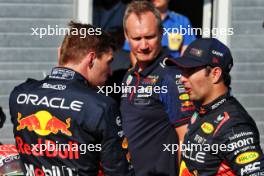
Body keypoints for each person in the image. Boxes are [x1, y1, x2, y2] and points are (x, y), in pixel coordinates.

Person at [9, 22, 131, 176]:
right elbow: (118, 171)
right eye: (109, 62)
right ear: (91, 59)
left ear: (59, 53)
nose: (110, 72)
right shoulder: (101, 106)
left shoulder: (19, 95)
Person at [168, 38, 264, 175]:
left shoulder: (234, 124)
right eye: (182, 71)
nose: (182, 78)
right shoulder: (201, 109)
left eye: (190, 71)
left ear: (215, 74)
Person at [120, 1, 195, 176]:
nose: (144, 46)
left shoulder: (171, 77)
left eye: (150, 37)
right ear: (126, 36)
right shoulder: (130, 76)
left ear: (162, 33)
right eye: (137, 38)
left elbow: (186, 139)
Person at [123, 0, 196, 62]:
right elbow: (133, 52)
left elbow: (187, 52)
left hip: (173, 71)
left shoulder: (182, 21)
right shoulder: (135, 20)